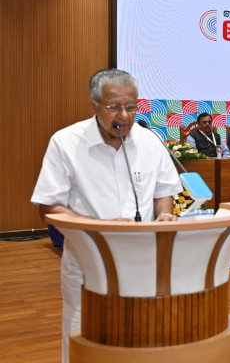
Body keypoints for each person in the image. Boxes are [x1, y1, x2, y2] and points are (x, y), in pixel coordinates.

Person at [30, 69, 182, 363]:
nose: (123, 116)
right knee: (85, 338)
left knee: (141, 335)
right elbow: (48, 207)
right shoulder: (65, 142)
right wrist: (101, 226)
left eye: (131, 107)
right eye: (114, 107)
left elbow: (164, 192)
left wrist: (164, 215)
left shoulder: (150, 141)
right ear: (94, 105)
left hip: (144, 261)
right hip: (88, 262)